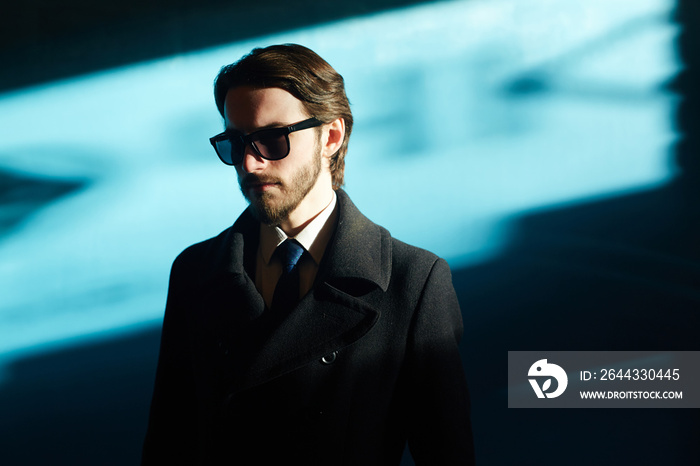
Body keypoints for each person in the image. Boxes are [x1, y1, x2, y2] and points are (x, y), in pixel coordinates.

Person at [142, 43, 474, 465]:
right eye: (235, 142)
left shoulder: (412, 282)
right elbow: (168, 443)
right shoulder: (196, 273)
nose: (249, 162)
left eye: (271, 139)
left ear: (330, 137)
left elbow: (447, 454)